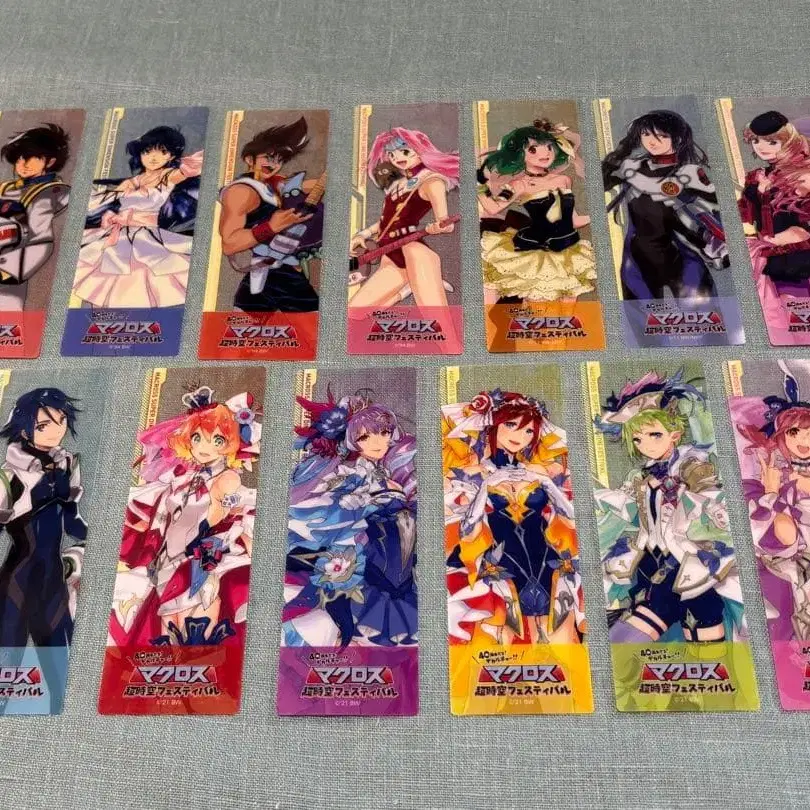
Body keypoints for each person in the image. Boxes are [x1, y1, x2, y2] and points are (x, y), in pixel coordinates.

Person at [593, 370, 743, 643]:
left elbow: (710, 497)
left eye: (654, 435)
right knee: (626, 639)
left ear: (674, 434)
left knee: (701, 634)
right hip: (650, 562)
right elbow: (631, 508)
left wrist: (712, 509)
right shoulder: (643, 475)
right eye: (637, 439)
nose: (646, 445)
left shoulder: (691, 465)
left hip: (684, 562)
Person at [108, 386, 259, 647]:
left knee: (194, 627)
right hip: (166, 559)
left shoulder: (228, 479)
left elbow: (214, 520)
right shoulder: (181, 477)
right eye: (198, 437)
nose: (204, 447)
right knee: (166, 627)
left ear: (231, 442)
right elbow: (161, 512)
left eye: (217, 440)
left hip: (199, 559)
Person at [443, 389, 584, 645]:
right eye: (511, 425)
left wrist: (547, 484)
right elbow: (466, 528)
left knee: (558, 632)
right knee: (503, 634)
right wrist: (485, 487)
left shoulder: (539, 469)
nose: (521, 436)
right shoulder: (472, 472)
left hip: (545, 554)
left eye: (529, 430)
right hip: (498, 556)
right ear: (493, 425)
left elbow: (572, 519)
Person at [282, 390, 417, 649]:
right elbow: (325, 502)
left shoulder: (381, 469)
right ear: (351, 440)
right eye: (365, 436)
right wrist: (360, 502)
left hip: (382, 543)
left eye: (384, 432)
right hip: (347, 542)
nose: (378, 441)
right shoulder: (347, 471)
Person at [0, 387, 85, 713]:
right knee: (6, 668)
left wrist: (85, 551)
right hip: (18, 582)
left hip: (53, 580)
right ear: (24, 429)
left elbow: (74, 521)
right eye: (44, 425)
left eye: (61, 421)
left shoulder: (67, 465)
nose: (57, 430)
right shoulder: (10, 477)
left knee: (62, 679)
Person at [71, 125, 203, 309]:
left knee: (142, 279)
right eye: (147, 151)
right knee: (105, 276)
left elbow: (193, 167)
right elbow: (106, 199)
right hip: (119, 233)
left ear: (171, 155)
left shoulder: (169, 175)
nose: (153, 157)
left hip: (148, 234)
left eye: (162, 152)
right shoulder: (135, 180)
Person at [603, 110, 728, 300]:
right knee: (640, 316)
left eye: (662, 135)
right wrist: (622, 149)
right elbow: (600, 182)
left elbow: (716, 208)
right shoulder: (632, 166)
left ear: (677, 138)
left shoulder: (690, 172)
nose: (652, 142)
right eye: (646, 134)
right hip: (638, 256)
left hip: (683, 254)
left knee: (704, 314)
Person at [477, 119, 595, 304]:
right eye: (533, 149)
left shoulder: (564, 180)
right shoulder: (519, 185)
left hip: (568, 250)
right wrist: (479, 184)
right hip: (535, 251)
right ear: (520, 155)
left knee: (568, 308)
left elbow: (573, 220)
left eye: (548, 147)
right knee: (536, 308)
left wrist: (600, 214)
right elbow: (492, 207)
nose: (545, 153)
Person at [735, 362, 810, 641]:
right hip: (788, 565)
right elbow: (784, 538)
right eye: (794, 432)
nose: (804, 440)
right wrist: (772, 493)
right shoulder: (773, 481)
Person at [219, 117, 322, 313]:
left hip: (276, 271)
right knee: (316, 328)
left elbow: (304, 186)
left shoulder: (273, 185)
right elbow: (229, 243)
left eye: (279, 159)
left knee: (243, 328)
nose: (274, 164)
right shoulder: (241, 192)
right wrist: (271, 227)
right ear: (250, 159)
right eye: (268, 157)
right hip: (275, 272)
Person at [349, 127, 459, 308]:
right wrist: (364, 234)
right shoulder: (400, 183)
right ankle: (406, 290)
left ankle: (412, 285)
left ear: (419, 149)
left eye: (404, 151)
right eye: (392, 155)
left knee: (438, 319)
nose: (397, 158)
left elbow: (447, 224)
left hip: (412, 250)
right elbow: (388, 220)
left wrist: (438, 226)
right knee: (354, 311)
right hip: (389, 252)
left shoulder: (432, 181)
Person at [737, 110, 810, 316]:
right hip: (766, 257)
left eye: (772, 142)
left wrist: (796, 234)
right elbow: (745, 214)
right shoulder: (756, 177)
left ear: (789, 142)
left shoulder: (804, 174)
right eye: (756, 141)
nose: (761, 148)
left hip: (797, 255)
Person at [0, 124, 71, 310]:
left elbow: (41, 241)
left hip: (7, 272)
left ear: (50, 161)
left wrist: (7, 272)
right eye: (19, 158)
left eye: (32, 157)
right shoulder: (6, 188)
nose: (23, 164)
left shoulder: (47, 193)